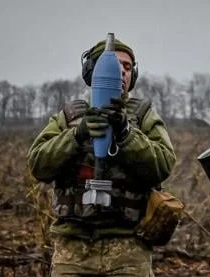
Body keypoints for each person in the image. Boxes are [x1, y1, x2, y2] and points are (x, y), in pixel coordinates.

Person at [27, 37, 177, 276]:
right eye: (115, 65)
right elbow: (38, 165)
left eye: (128, 68)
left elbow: (163, 165)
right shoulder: (69, 117)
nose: (121, 73)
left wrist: (127, 134)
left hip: (128, 249)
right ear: (92, 72)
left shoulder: (143, 116)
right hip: (73, 249)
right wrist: (76, 135)